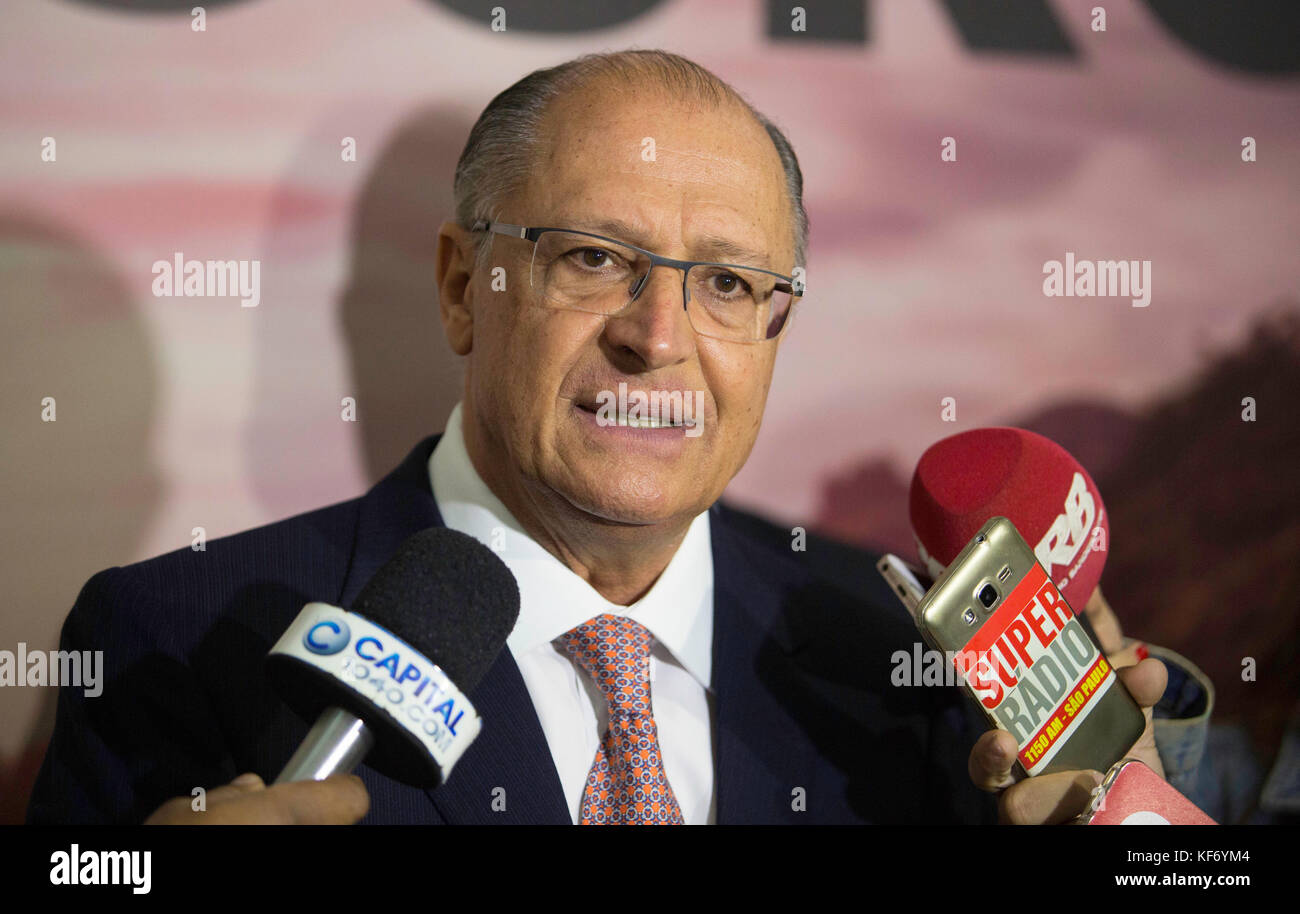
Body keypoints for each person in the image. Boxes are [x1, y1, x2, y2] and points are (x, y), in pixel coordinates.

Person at [27, 49, 1208, 825]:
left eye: (732, 284)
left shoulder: (904, 666)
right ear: (458, 286)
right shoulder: (166, 640)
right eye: (593, 257)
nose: (660, 335)